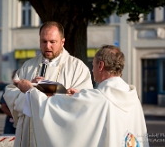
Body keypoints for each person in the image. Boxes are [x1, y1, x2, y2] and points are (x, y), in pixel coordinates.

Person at [16, 45, 149, 147]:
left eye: (93, 65)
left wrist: (30, 91)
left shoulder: (99, 98)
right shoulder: (132, 96)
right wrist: (80, 96)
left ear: (101, 65)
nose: (92, 70)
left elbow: (52, 110)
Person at [4, 21, 93, 147]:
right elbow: (11, 93)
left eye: (52, 42)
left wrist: (43, 90)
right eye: (43, 41)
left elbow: (83, 104)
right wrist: (29, 90)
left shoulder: (77, 68)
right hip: (29, 136)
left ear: (62, 42)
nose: (47, 46)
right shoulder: (28, 66)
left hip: (58, 137)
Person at [0, 70, 17, 134]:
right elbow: (3, 107)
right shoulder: (8, 89)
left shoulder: (26, 89)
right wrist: (14, 116)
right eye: (14, 76)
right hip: (11, 121)